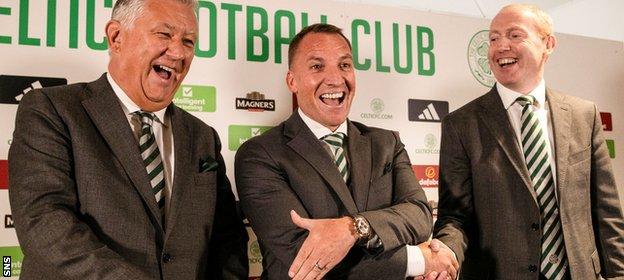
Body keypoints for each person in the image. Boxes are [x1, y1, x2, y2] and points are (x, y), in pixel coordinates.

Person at [8, 0, 248, 278]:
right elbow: (44, 222)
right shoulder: (52, 109)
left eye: (189, 41)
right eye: (164, 34)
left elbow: (227, 238)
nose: (179, 51)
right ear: (116, 37)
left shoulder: (202, 135)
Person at [235, 23, 457, 280]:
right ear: (292, 81)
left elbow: (419, 215)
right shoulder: (260, 155)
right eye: (317, 66)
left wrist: (353, 228)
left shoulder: (386, 143)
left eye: (344, 65)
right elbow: (305, 258)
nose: (335, 79)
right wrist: (420, 260)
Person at [433, 4, 624, 280]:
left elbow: (606, 212)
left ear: (548, 44)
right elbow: (455, 217)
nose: (500, 46)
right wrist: (447, 253)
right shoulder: (461, 124)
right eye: (494, 38)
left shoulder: (585, 115)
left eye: (514, 35)